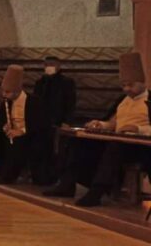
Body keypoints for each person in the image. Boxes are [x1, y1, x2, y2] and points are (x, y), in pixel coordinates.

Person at [43, 52, 151, 207]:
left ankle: (96, 192)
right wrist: (101, 124)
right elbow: (113, 123)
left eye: (131, 85)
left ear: (141, 82)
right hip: (118, 140)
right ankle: (67, 184)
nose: (127, 89)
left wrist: (138, 128)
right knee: (78, 142)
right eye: (123, 85)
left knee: (115, 148)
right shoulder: (123, 101)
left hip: (139, 147)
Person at [0, 65, 48, 184]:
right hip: (11, 133)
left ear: (17, 91)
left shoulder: (34, 102)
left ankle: (9, 175)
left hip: (29, 134)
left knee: (18, 143)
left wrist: (21, 131)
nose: (4, 95)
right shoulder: (6, 102)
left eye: (7, 92)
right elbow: (0, 122)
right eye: (3, 91)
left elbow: (40, 124)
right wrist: (4, 127)